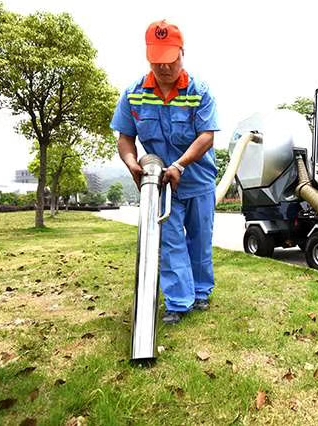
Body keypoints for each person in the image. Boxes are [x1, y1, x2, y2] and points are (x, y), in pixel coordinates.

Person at [110, 20, 219, 325]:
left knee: (199, 240)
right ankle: (178, 303)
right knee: (169, 242)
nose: (165, 68)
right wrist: (132, 163)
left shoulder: (200, 92)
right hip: (159, 183)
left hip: (197, 180)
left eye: (171, 60)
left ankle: (200, 294)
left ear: (182, 53)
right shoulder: (134, 94)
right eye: (158, 62)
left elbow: (207, 136)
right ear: (149, 58)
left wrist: (180, 165)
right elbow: (125, 138)